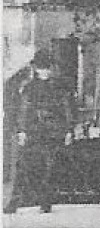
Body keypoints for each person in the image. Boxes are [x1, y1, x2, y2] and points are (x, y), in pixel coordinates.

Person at [3, 50, 75, 214]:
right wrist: (22, 130)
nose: (44, 71)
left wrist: (68, 130)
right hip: (41, 131)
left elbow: (66, 109)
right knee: (30, 166)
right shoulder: (36, 87)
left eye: (45, 68)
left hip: (45, 131)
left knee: (41, 167)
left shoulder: (46, 87)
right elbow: (24, 109)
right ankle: (23, 202)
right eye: (43, 68)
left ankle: (36, 202)